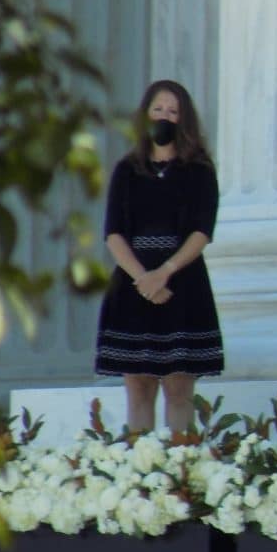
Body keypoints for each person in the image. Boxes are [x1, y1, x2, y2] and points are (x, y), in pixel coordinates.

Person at [93, 80, 224, 434]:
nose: (165, 116)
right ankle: (141, 472)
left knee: (179, 389)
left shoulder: (199, 170)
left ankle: (180, 475)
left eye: (173, 110)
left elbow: (201, 230)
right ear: (145, 116)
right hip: (133, 287)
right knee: (138, 388)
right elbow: (114, 233)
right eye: (158, 109)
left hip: (182, 286)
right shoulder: (127, 169)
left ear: (184, 120)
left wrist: (164, 272)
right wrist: (143, 278)